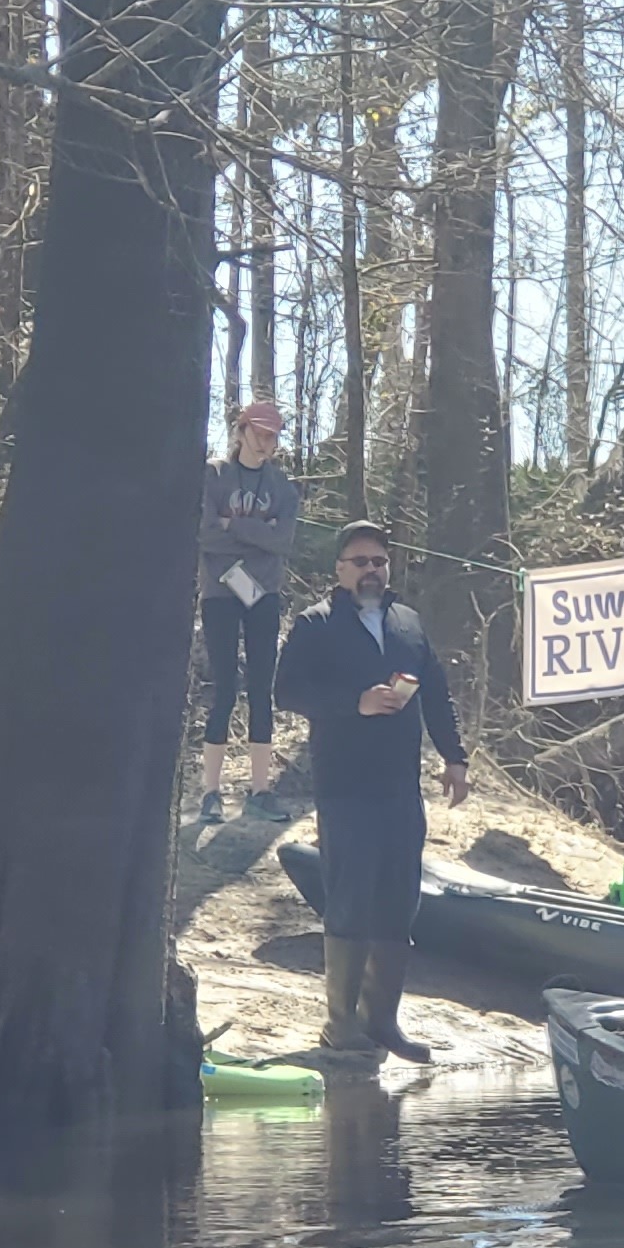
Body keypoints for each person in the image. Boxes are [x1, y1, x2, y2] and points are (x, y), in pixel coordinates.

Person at [277, 521, 470, 1062]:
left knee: (397, 901)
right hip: (344, 785)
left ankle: (382, 1022)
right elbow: (287, 690)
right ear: (339, 571)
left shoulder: (407, 622)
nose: (370, 571)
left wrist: (455, 758)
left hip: (400, 787)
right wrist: (353, 702)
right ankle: (340, 1026)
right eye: (359, 562)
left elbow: (436, 693)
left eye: (378, 562)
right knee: (351, 898)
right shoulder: (316, 624)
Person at [194, 401, 303, 824]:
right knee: (224, 687)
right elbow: (204, 534)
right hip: (220, 592)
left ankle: (259, 790)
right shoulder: (215, 475)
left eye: (273, 435)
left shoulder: (282, 486)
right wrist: (258, 532)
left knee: (262, 688)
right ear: (241, 431)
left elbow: (283, 541)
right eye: (259, 432)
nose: (266, 442)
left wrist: (231, 525)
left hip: (264, 593)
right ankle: (211, 793)